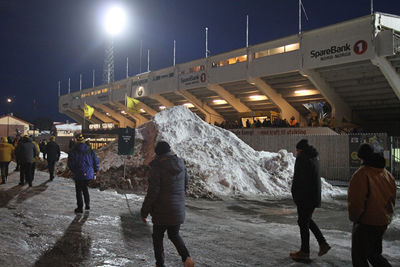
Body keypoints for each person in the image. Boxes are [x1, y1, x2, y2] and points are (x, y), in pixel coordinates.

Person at [141, 141, 194, 267]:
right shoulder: (181, 163)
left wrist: (144, 212)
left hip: (161, 211)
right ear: (169, 151)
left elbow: (153, 192)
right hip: (177, 210)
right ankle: (187, 258)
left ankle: (160, 264)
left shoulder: (157, 167)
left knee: (157, 238)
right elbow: (186, 184)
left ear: (158, 154)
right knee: (174, 234)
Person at [348, 144, 397, 267]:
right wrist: (387, 217)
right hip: (381, 222)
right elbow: (392, 199)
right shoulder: (387, 174)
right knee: (374, 254)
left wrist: (355, 218)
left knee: (359, 257)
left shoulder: (362, 174)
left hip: (366, 222)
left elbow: (356, 201)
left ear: (363, 158)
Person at [290, 139, 330, 261]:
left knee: (303, 223)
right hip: (313, 196)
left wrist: (295, 194)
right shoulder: (314, 157)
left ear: (300, 150)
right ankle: (322, 244)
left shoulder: (302, 158)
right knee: (305, 221)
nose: (296, 153)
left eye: (297, 150)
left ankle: (305, 252)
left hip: (304, 196)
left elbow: (299, 178)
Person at [67, 134, 99, 213]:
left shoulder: (73, 151)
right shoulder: (90, 150)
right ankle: (87, 205)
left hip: (78, 173)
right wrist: (96, 170)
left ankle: (80, 207)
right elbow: (95, 161)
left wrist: (74, 170)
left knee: (78, 191)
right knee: (85, 189)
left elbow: (70, 164)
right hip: (88, 173)